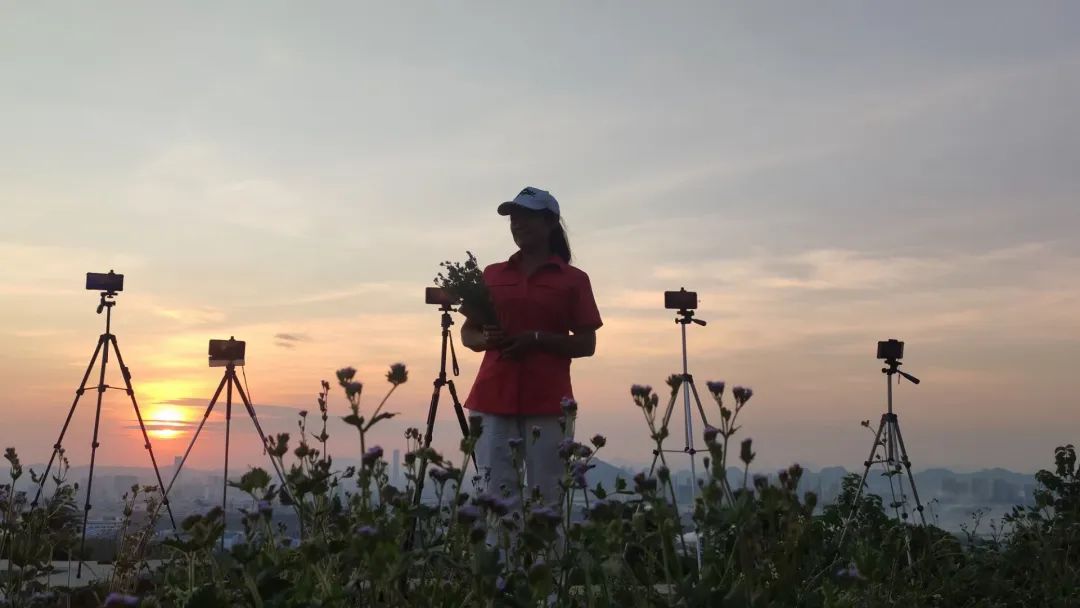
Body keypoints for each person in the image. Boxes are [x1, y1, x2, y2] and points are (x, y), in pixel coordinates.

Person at [461, 186, 602, 517]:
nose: (518, 224)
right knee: (495, 497)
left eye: (526, 217)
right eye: (514, 218)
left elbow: (587, 344)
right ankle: (499, 568)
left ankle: (546, 568)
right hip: (492, 398)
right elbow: (468, 333)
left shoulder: (573, 280)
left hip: (548, 401)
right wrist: (486, 339)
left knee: (548, 498)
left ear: (550, 222)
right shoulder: (493, 274)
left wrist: (537, 339)